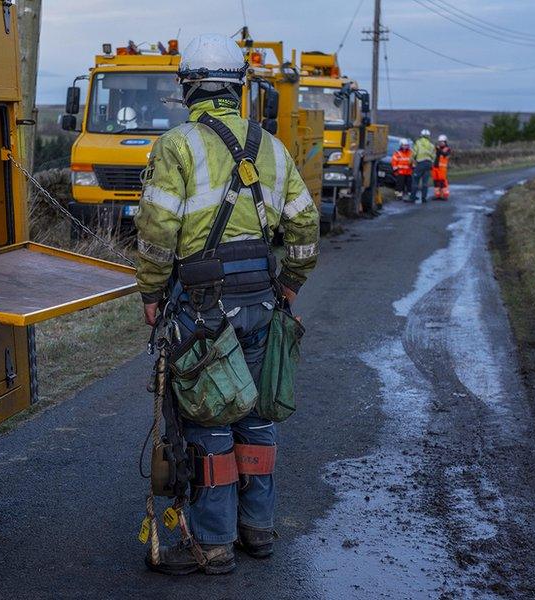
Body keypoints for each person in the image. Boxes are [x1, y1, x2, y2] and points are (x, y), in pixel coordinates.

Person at [134, 33, 320, 576]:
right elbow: (305, 225)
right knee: (258, 417)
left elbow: (156, 233)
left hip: (201, 312)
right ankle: (257, 530)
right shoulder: (271, 145)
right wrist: (290, 282)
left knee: (212, 423)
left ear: (188, 86)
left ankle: (214, 544)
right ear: (239, 87)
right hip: (262, 303)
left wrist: (150, 291)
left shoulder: (176, 146)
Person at [411, 129, 436, 203]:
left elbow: (413, 154)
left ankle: (412, 197)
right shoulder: (431, 145)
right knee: (425, 182)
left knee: (415, 181)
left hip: (420, 164)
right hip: (428, 164)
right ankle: (424, 198)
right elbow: (434, 156)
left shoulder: (418, 143)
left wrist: (412, 162)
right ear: (428, 136)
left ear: (421, 135)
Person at [432, 134, 452, 200]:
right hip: (435, 167)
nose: (440, 143)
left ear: (445, 142)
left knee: (442, 182)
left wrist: (439, 150)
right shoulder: (436, 148)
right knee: (436, 182)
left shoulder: (447, 149)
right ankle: (437, 195)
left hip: (442, 168)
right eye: (439, 142)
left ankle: (445, 195)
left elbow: (445, 155)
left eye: (442, 142)